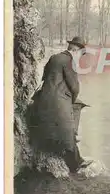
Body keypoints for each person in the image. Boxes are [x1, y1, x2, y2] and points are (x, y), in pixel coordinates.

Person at [30, 36, 93, 172]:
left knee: (67, 117)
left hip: (44, 99)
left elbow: (45, 76)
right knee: (71, 121)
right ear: (75, 50)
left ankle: (70, 145)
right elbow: (74, 86)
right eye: (80, 54)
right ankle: (75, 164)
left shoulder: (54, 57)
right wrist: (72, 98)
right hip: (58, 102)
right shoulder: (70, 61)